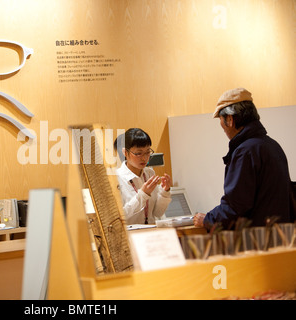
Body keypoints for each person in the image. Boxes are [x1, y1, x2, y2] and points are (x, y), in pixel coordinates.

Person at [193, 88, 293, 229]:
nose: (221, 125)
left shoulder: (245, 152)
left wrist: (208, 219)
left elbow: (236, 206)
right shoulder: (273, 145)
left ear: (230, 119)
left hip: (256, 242)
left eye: (220, 119)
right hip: (281, 238)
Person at [114, 128, 172, 225]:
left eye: (147, 152)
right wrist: (142, 195)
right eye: (138, 153)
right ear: (125, 152)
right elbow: (120, 216)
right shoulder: (116, 178)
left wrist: (164, 192)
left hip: (150, 233)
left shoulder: (149, 173)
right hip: (129, 236)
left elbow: (157, 213)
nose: (144, 158)